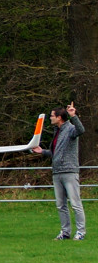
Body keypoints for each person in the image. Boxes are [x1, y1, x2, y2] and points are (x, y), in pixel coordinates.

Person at [29, 102, 85, 241]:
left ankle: (80, 232)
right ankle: (65, 232)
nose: (50, 118)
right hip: (57, 172)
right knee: (61, 205)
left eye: (52, 116)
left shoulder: (70, 129)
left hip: (69, 171)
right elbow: (56, 153)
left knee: (75, 204)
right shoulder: (57, 131)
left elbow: (81, 130)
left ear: (59, 117)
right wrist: (42, 151)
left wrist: (73, 116)